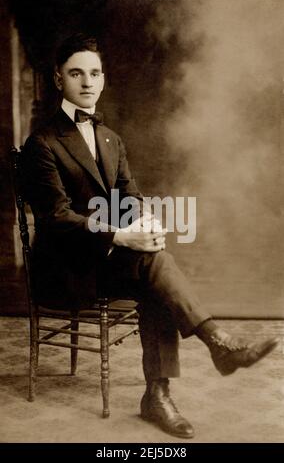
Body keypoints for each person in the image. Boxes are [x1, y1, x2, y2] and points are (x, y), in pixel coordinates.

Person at [23, 33, 279, 439]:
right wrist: (121, 238)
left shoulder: (111, 139)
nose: (86, 82)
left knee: (152, 257)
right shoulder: (42, 144)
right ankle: (210, 350)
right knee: (150, 265)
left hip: (105, 261)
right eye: (76, 73)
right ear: (59, 80)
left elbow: (132, 197)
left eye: (93, 73)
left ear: (103, 79)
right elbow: (56, 218)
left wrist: (146, 225)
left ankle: (161, 392)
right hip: (64, 268)